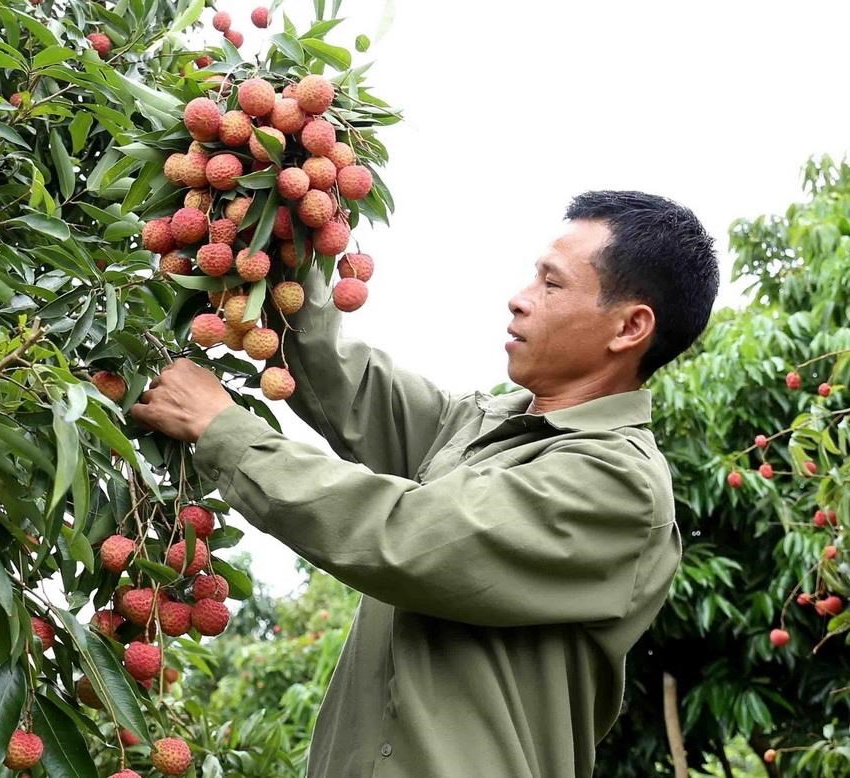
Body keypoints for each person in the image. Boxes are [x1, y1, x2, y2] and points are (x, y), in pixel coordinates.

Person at [130, 190, 720, 777]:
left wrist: (224, 431)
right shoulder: (483, 425)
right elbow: (352, 387)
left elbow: (409, 539)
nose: (519, 299)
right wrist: (278, 227)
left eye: (551, 283)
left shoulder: (617, 484)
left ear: (630, 327)